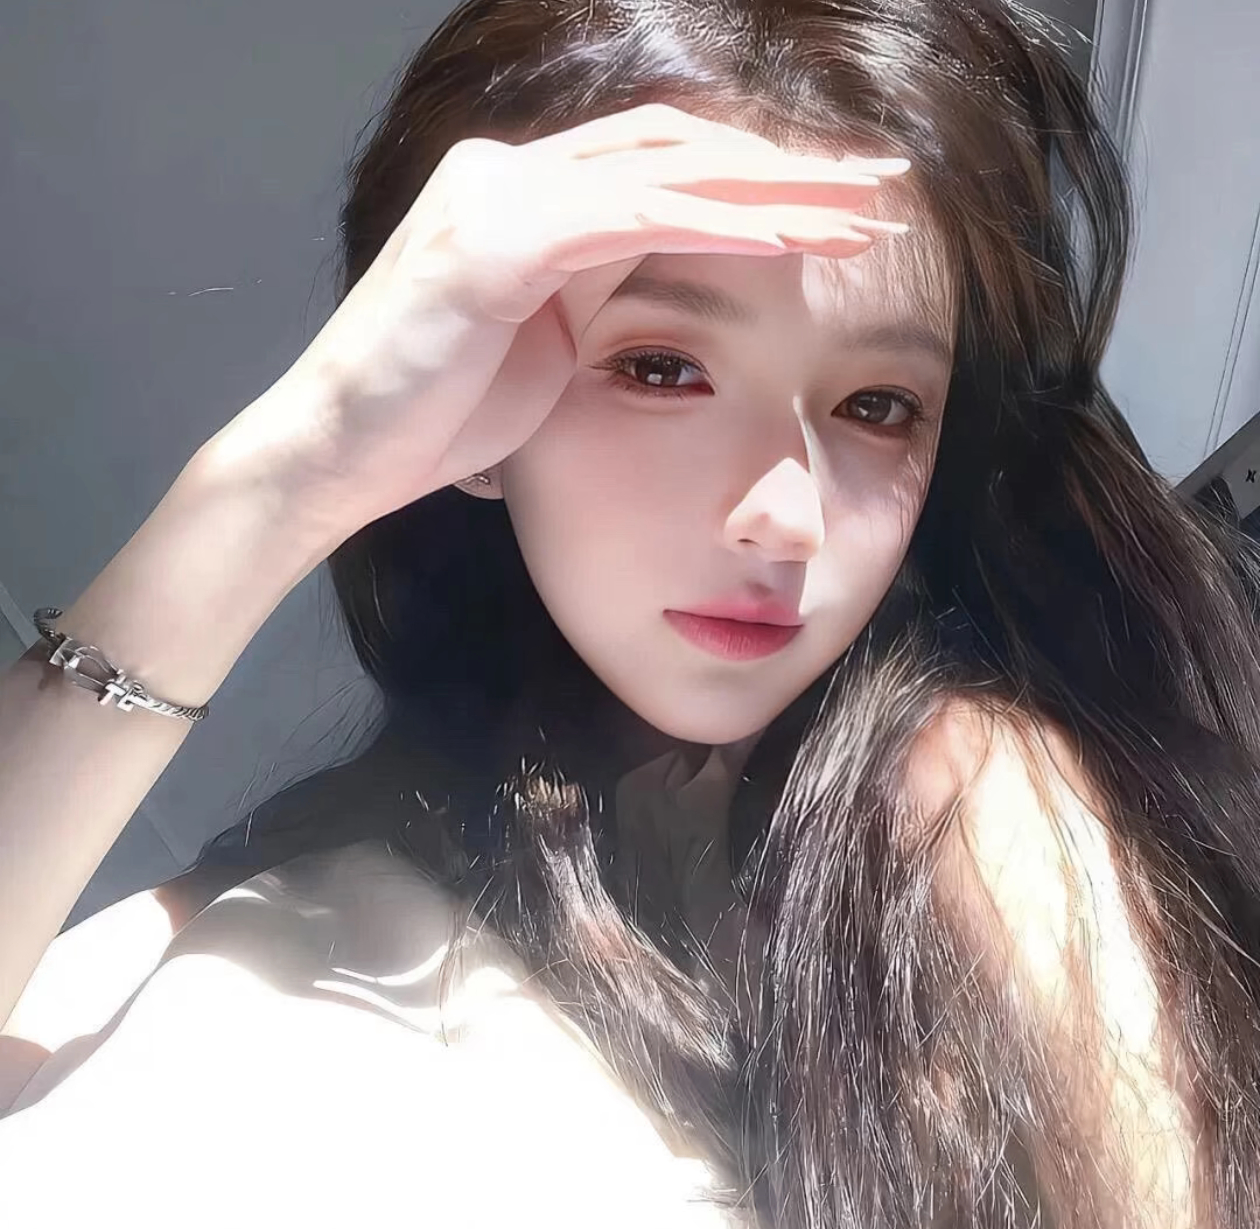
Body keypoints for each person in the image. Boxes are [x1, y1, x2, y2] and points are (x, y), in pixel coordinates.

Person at [1, 0, 1257, 1225]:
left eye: (878, 405)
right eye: (662, 367)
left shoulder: (967, 800)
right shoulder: (292, 880)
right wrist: (277, 479)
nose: (786, 516)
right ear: (476, 403)